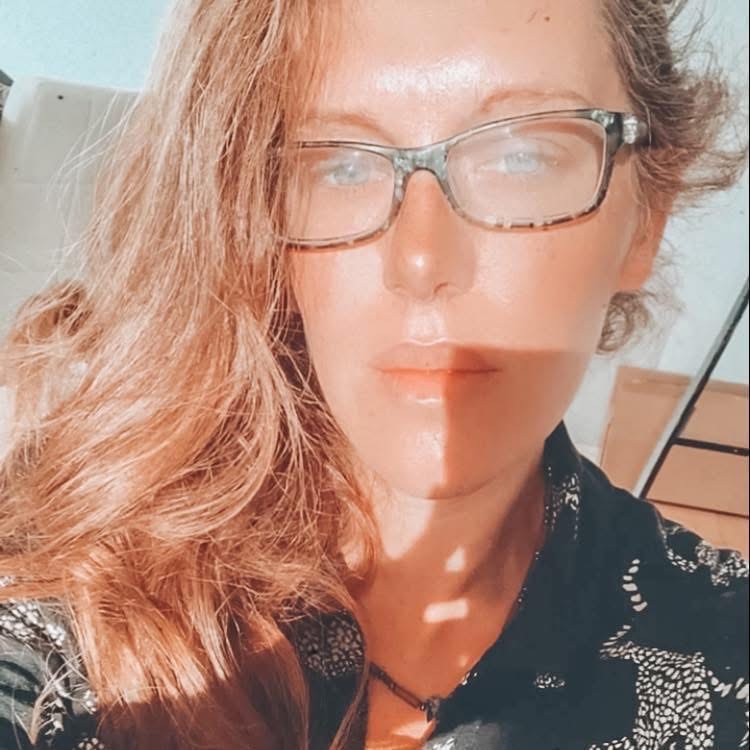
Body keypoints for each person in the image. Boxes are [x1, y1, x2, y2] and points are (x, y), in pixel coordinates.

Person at [0, 0, 747, 748]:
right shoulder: (69, 578)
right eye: (340, 163)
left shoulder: (725, 651)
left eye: (522, 155)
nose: (420, 261)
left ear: (647, 217)